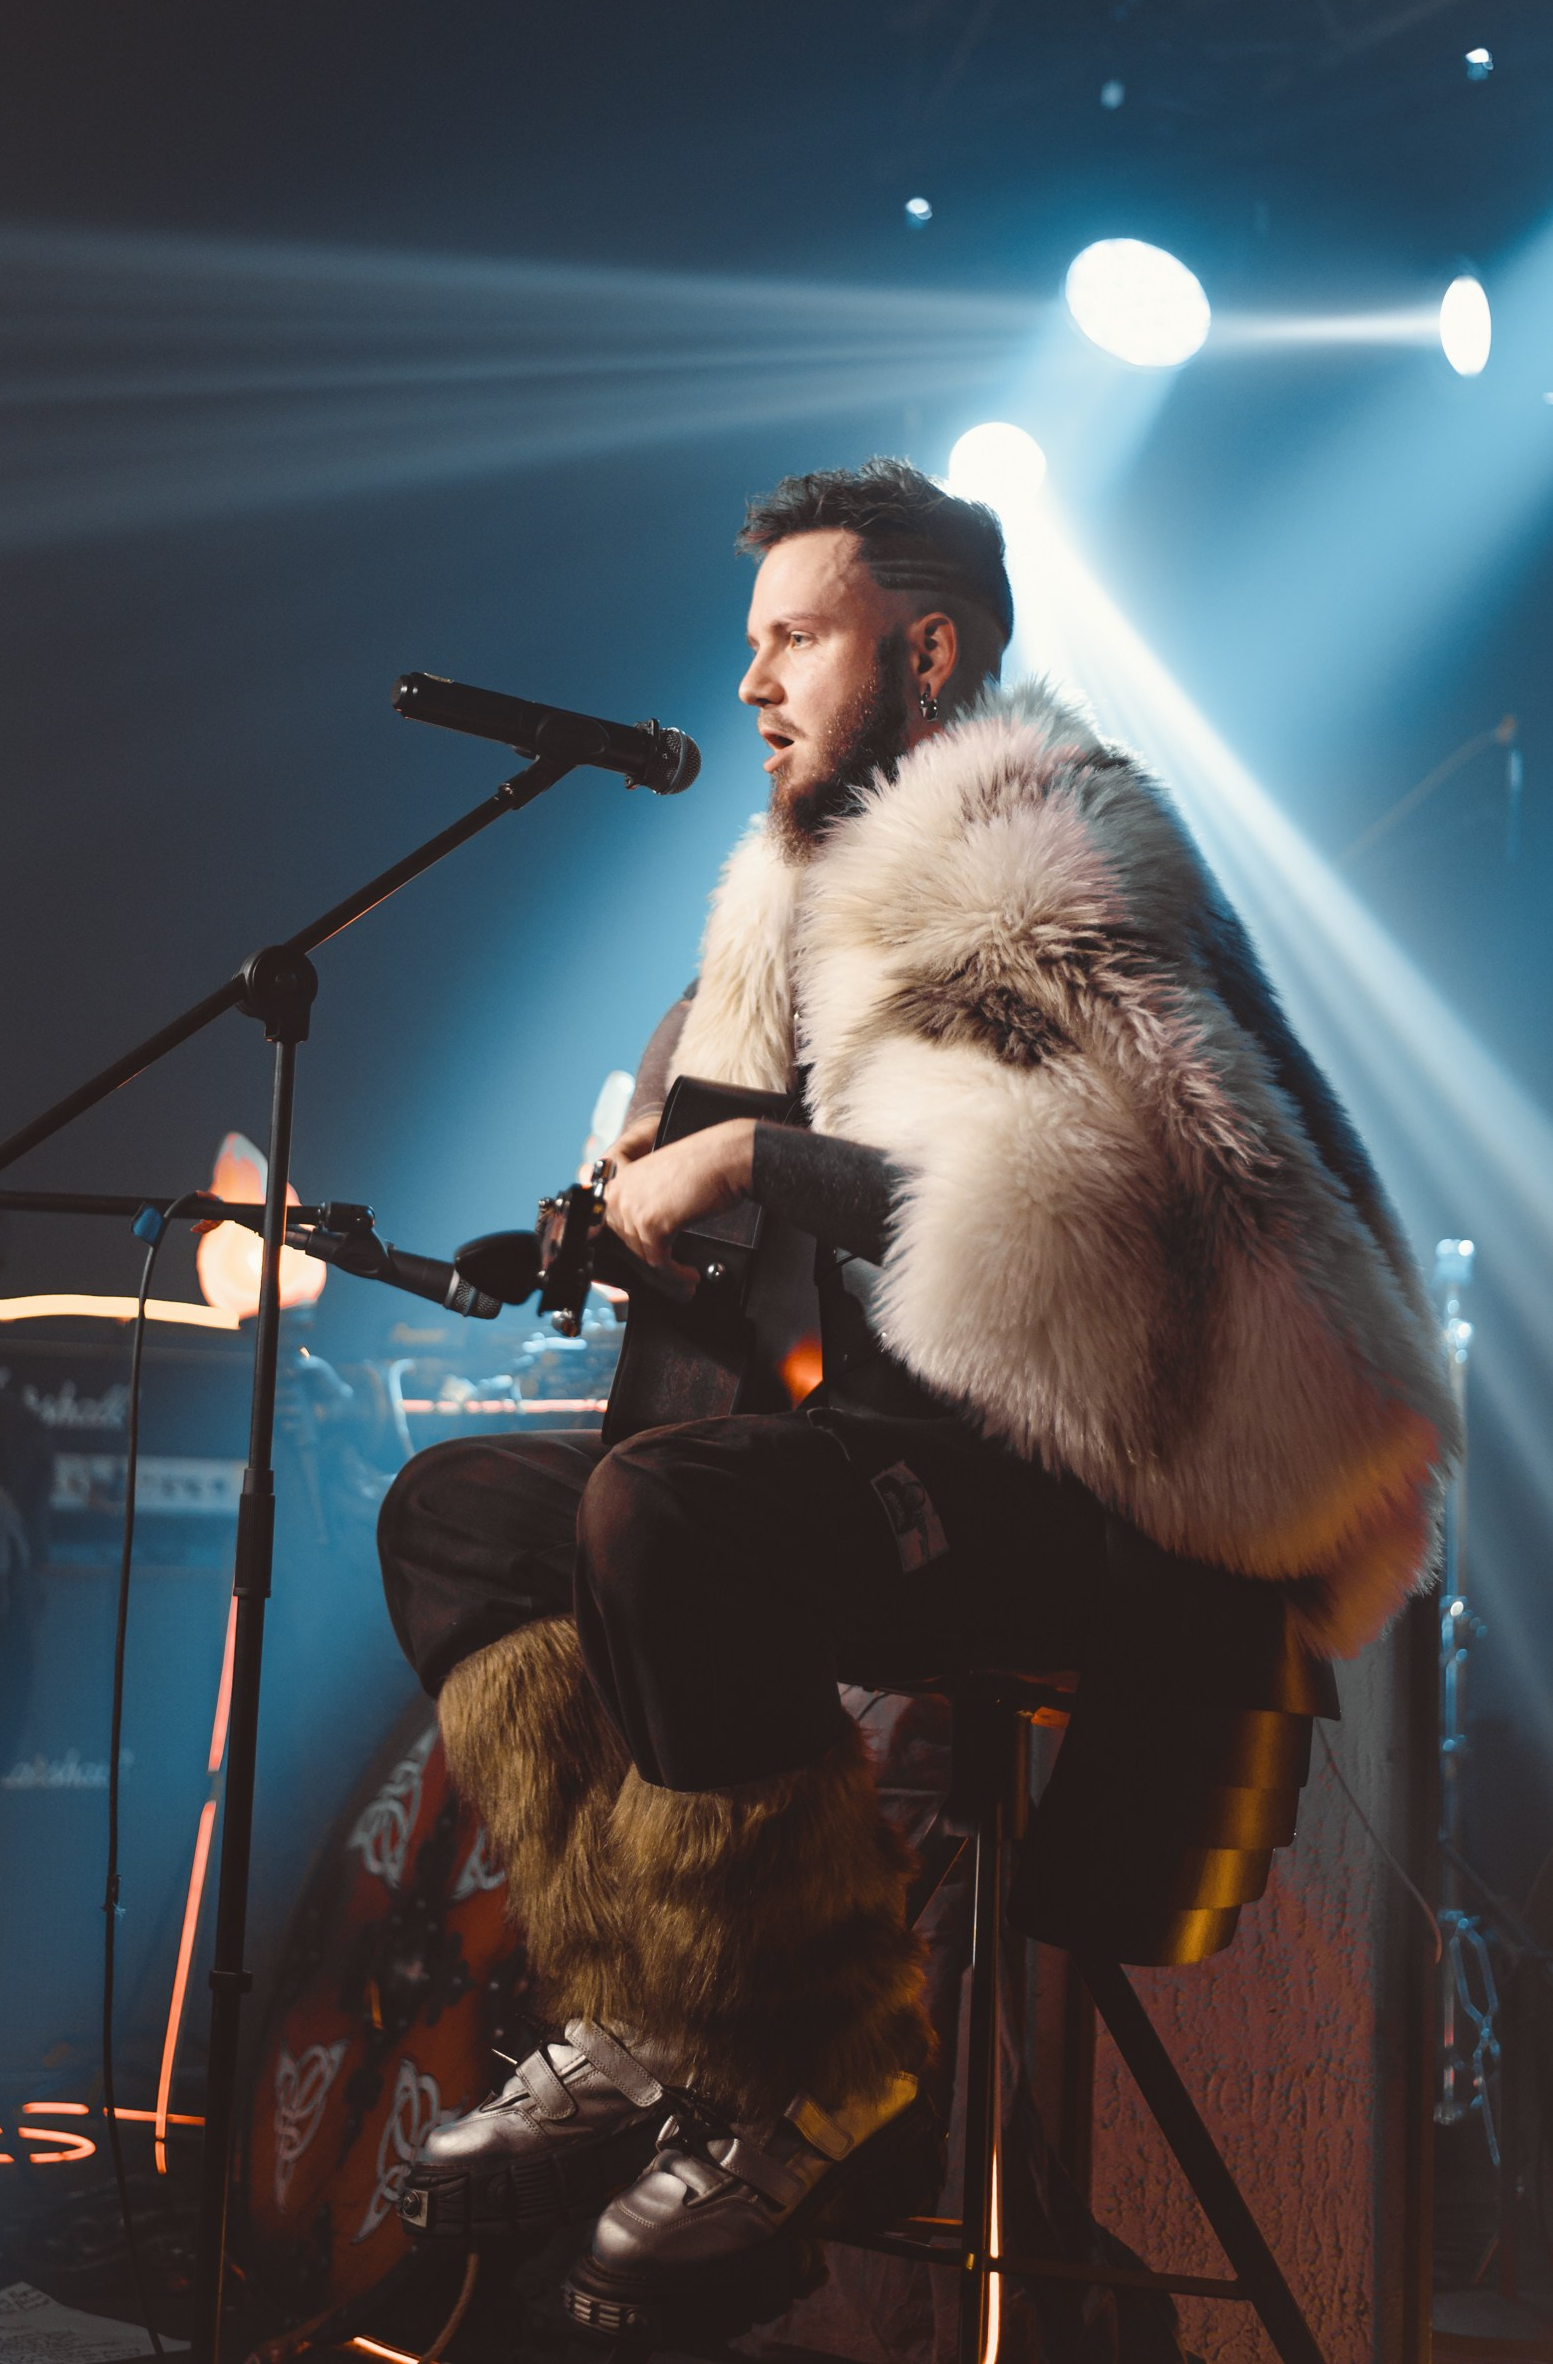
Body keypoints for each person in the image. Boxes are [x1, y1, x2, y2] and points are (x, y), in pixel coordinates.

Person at [377, 458, 1455, 2340]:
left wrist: (747, 1166)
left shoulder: (1045, 849)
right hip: (878, 1472)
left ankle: (801, 2066)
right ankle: (664, 2005)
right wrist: (637, 1228)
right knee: (456, 1517)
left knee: (671, 1513)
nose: (751, 683)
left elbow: (1069, 1230)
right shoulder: (792, 909)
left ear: (929, 651)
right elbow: (794, 1274)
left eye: (796, 638)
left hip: (1091, 1499)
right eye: (752, 644)